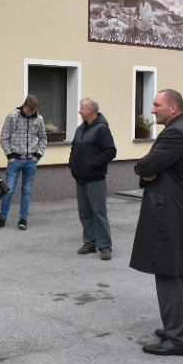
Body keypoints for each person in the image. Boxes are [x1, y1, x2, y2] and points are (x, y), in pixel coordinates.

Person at [130, 89, 183, 356]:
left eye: (157, 105)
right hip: (175, 210)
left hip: (169, 212)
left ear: (173, 107)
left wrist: (145, 173)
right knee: (176, 271)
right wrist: (147, 173)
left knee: (168, 271)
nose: (153, 109)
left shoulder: (174, 133)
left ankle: (177, 338)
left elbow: (146, 166)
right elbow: (151, 168)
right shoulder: (181, 129)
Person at [68, 97, 117, 259]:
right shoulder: (80, 129)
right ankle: (89, 243)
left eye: (81, 108)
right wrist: (72, 165)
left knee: (99, 213)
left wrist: (92, 164)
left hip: (95, 179)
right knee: (84, 213)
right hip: (80, 178)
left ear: (89, 110)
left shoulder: (102, 129)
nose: (79, 111)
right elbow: (74, 148)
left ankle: (105, 247)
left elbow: (110, 151)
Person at [0, 95, 47, 231]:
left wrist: (37, 156)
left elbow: (43, 139)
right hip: (15, 160)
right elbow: (4, 136)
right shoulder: (12, 116)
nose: (30, 113)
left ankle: (23, 219)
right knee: (9, 190)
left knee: (26, 191)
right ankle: (2, 218)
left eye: (33, 111)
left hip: (31, 161)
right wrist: (9, 155)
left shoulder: (39, 119)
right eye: (29, 110)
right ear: (24, 105)